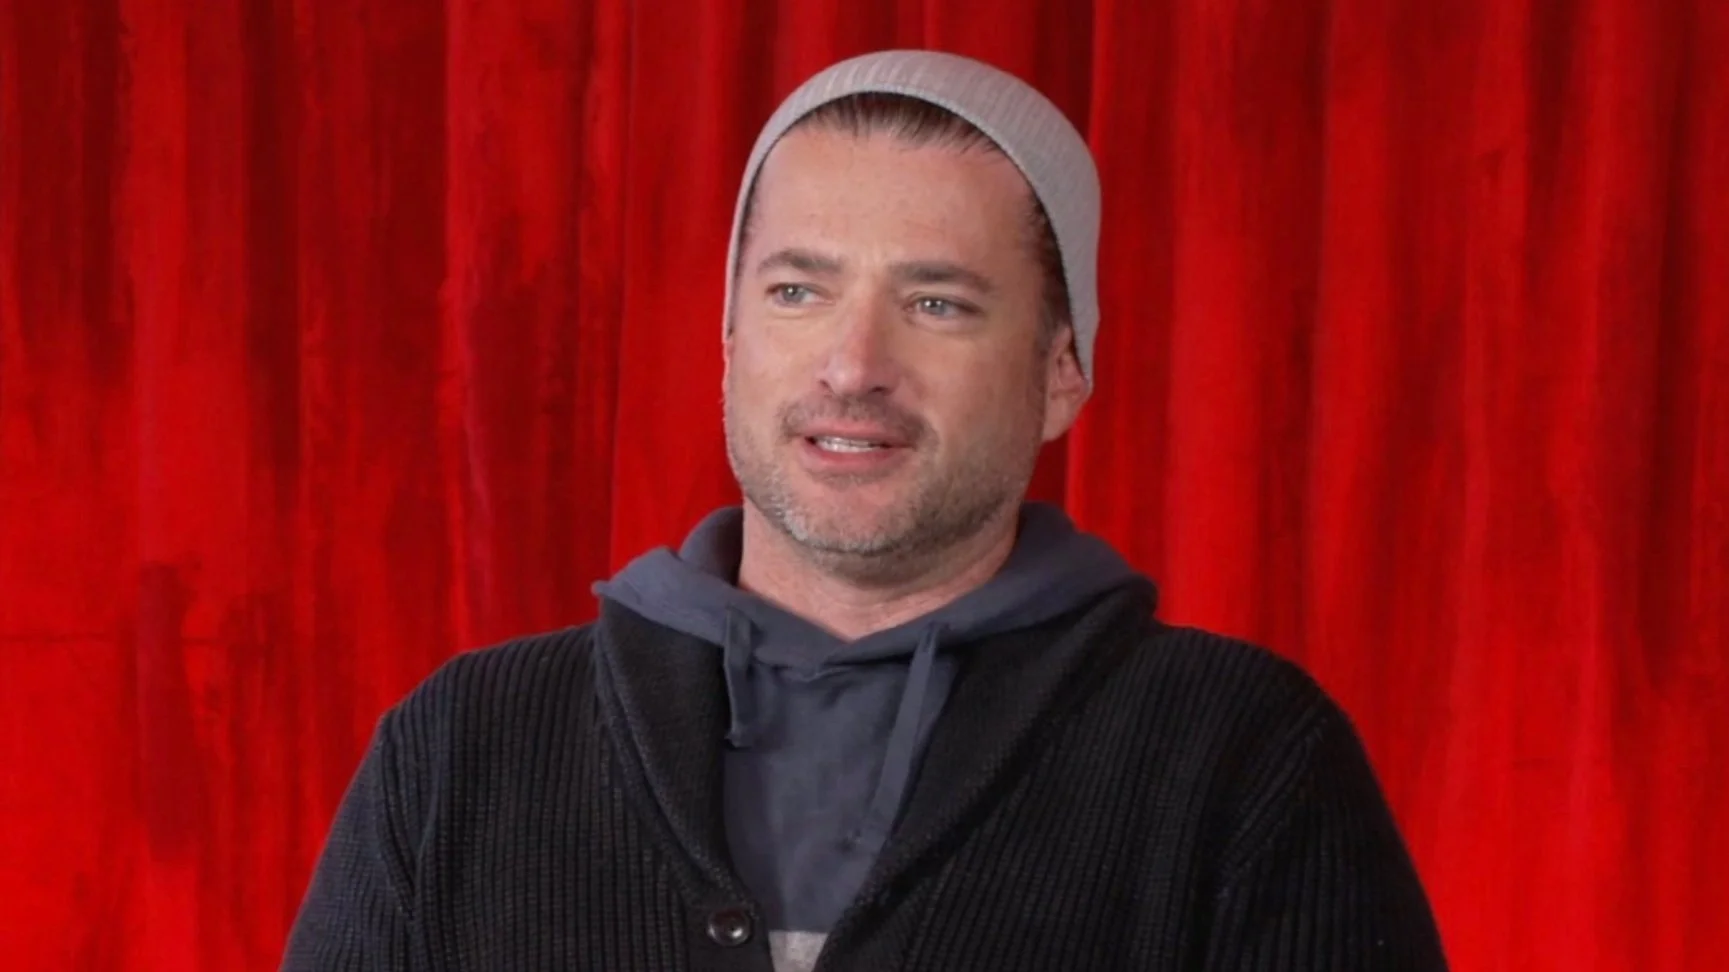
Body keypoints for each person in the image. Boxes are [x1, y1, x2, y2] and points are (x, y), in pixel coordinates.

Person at [282, 50, 1448, 972]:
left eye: (937, 303)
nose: (852, 365)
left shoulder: (1246, 756)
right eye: (798, 290)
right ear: (729, 342)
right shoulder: (460, 749)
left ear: (1061, 371)